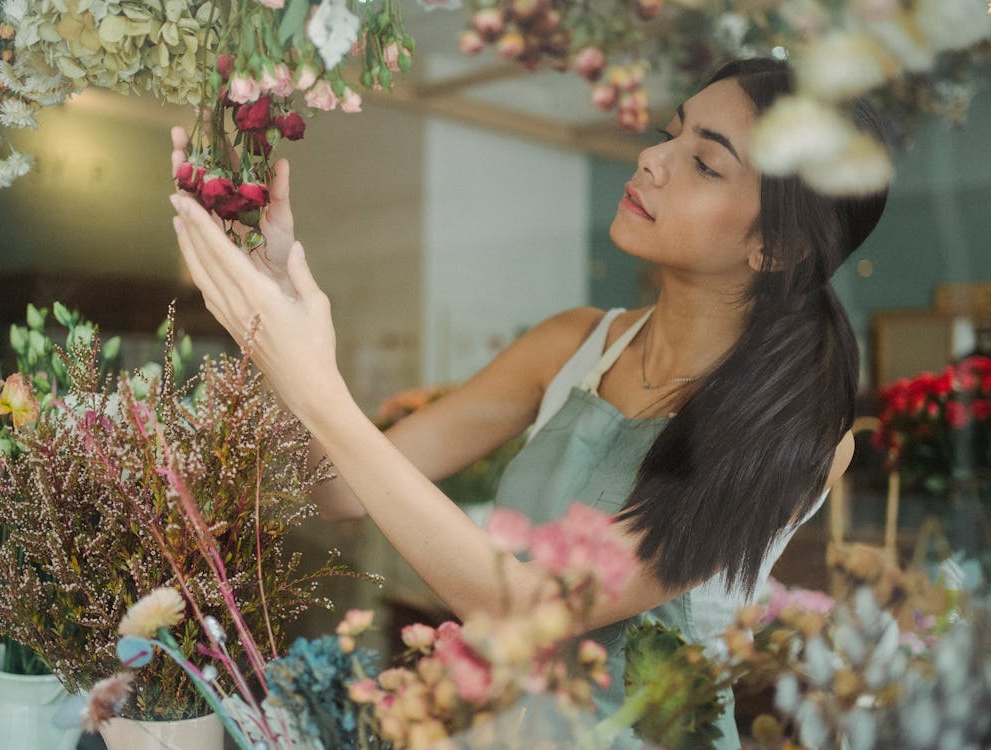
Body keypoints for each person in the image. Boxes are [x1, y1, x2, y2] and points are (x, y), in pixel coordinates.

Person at [169, 57, 889, 747]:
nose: (650, 159)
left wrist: (317, 385)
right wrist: (267, 310)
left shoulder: (793, 436)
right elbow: (335, 489)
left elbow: (531, 609)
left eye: (704, 162)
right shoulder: (572, 345)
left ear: (777, 248)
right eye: (671, 132)